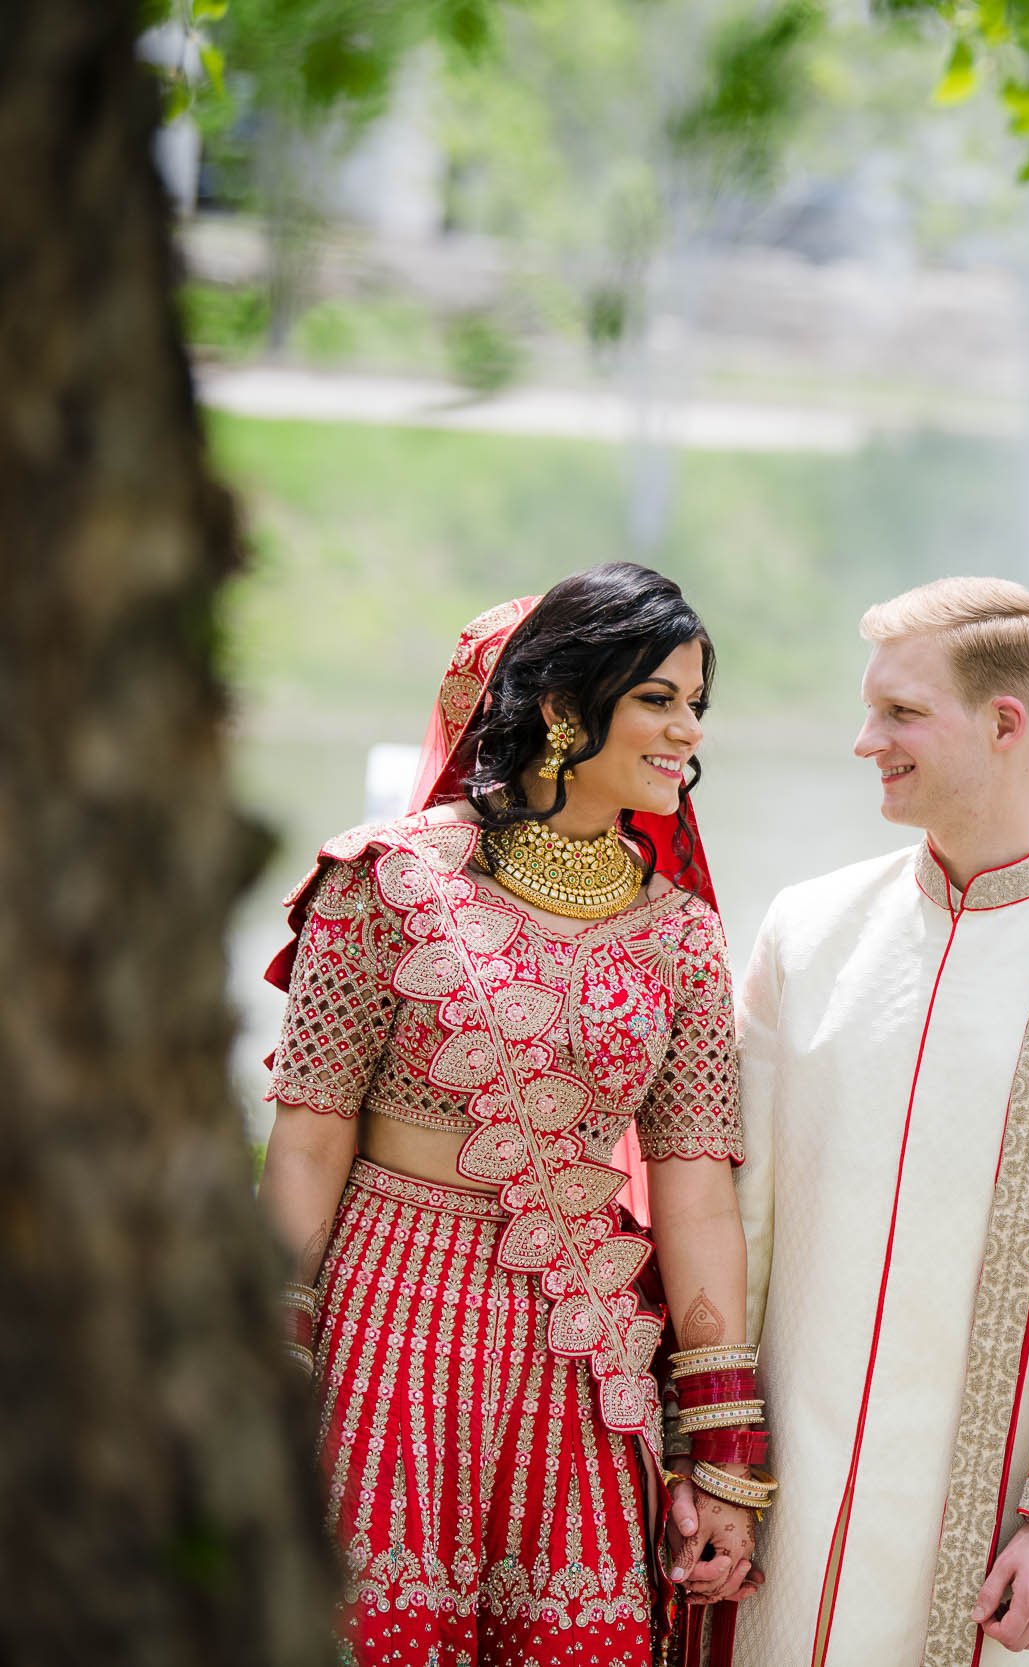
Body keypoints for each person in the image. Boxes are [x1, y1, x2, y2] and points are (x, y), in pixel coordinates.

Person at [256, 564, 768, 1667]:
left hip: (581, 1352)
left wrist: (722, 1443)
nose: (688, 732)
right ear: (561, 706)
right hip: (391, 1323)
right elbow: (307, 1137)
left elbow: (697, 1193)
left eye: (697, 705)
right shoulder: (385, 882)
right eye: (659, 699)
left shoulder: (681, 937)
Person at [732, 577, 1029, 1667]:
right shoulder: (806, 930)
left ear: (1006, 723)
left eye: (901, 713)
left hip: (987, 1536)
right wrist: (708, 1452)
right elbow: (740, 1210)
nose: (866, 740)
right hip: (781, 1507)